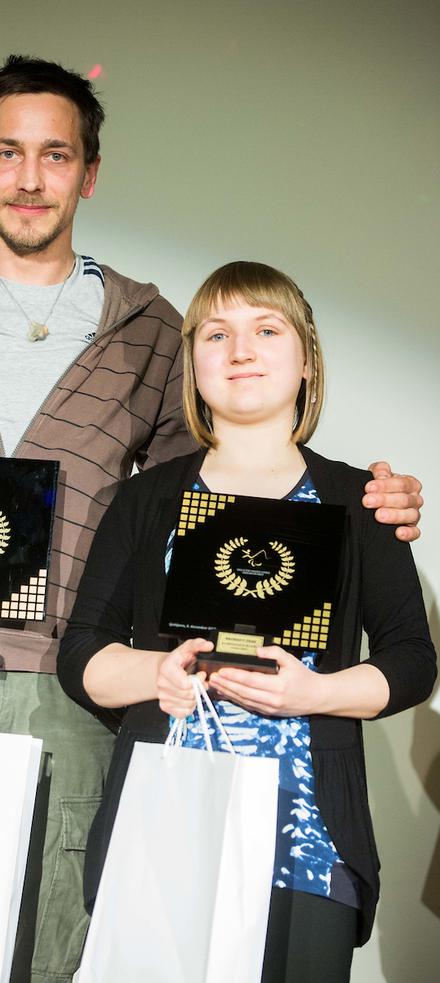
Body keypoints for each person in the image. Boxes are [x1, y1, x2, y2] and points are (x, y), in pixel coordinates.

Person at [0, 53, 422, 982]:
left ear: (89, 173)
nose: (31, 178)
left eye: (56, 155)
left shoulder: (150, 333)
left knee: (49, 957)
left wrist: (368, 502)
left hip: (69, 708)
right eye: (8, 153)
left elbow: (211, 504)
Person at [57, 261, 436, 983]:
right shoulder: (145, 500)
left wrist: (313, 694)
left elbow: (413, 660)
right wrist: (154, 672)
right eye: (216, 333)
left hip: (310, 846)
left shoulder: (363, 501)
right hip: (162, 829)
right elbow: (81, 653)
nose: (240, 350)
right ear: (191, 360)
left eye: (267, 329)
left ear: (306, 359)